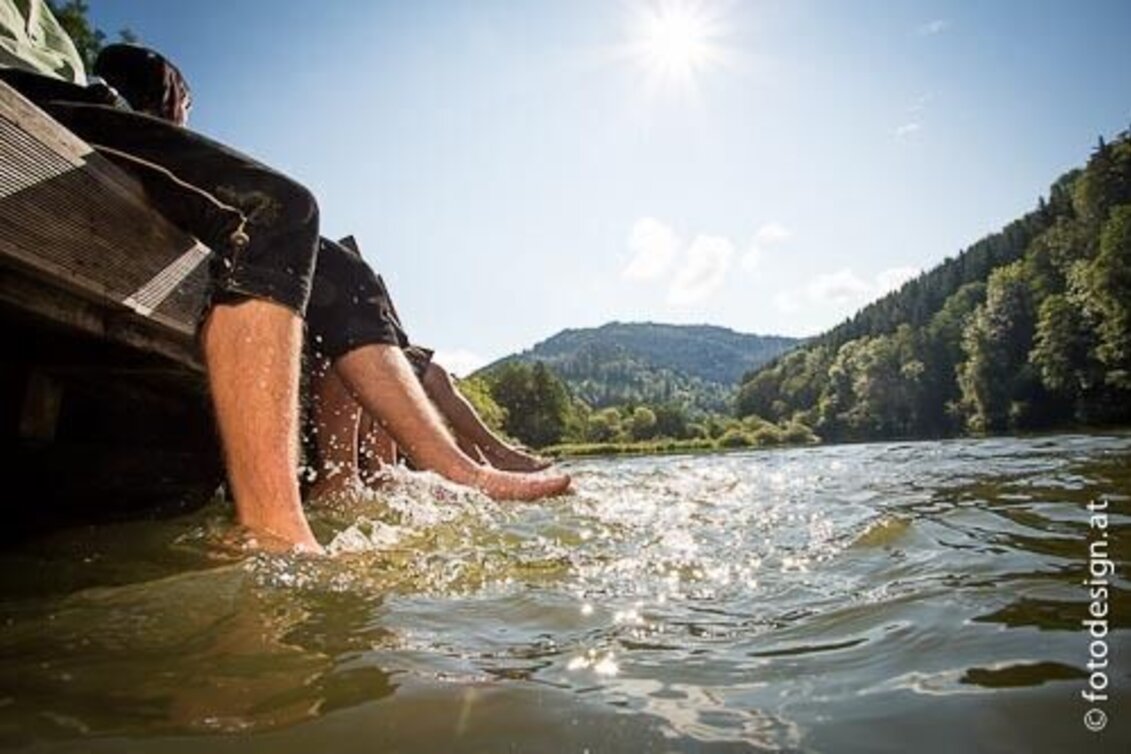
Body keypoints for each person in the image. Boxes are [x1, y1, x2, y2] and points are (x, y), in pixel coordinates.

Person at [1, 6, 569, 553]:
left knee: (347, 272)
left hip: (83, 110)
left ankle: (458, 471)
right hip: (33, 102)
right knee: (276, 210)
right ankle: (270, 528)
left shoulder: (53, 36)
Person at [306, 235, 552, 501]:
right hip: (348, 334)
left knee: (433, 373)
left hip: (382, 339)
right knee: (379, 360)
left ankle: (482, 458)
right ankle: (461, 467)